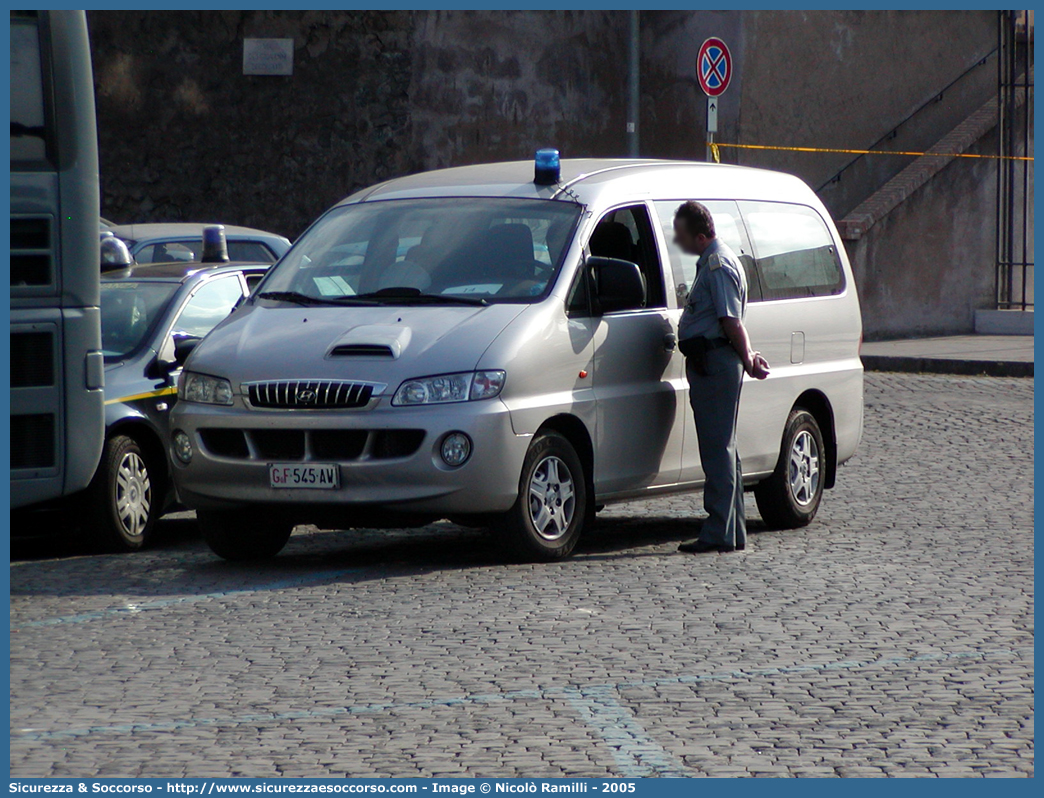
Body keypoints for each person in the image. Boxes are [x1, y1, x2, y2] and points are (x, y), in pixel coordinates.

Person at [673, 201, 769, 554]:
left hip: (715, 362)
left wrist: (748, 358)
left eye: (681, 234)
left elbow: (731, 321)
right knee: (724, 449)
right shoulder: (716, 260)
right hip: (711, 360)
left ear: (700, 236)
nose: (676, 240)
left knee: (717, 449)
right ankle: (732, 531)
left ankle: (718, 532)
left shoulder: (717, 264)